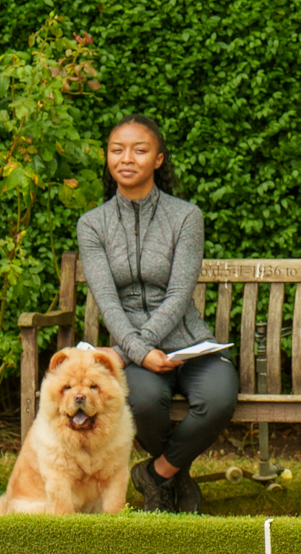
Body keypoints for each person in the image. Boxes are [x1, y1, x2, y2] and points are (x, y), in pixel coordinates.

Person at [78, 115, 238, 513]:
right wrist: (140, 353)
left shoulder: (185, 216)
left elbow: (180, 293)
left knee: (218, 398)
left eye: (139, 150)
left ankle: (156, 473)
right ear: (107, 158)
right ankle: (175, 480)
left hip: (190, 344)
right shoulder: (92, 225)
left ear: (158, 159)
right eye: (117, 150)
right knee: (145, 401)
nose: (126, 158)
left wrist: (135, 348)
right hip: (136, 353)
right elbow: (107, 300)